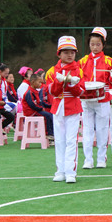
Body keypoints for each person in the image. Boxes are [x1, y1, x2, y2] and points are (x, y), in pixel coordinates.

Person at [46, 35, 85, 183]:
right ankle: (60, 171)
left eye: (72, 52)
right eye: (66, 52)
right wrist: (59, 81)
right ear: (59, 54)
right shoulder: (52, 71)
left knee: (71, 141)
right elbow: (52, 91)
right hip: (58, 108)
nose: (69, 55)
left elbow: (81, 91)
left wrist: (71, 83)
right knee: (60, 141)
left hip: (73, 108)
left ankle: (70, 172)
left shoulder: (79, 70)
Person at [78, 27, 112, 169]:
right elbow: (79, 78)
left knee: (102, 130)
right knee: (87, 130)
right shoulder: (82, 61)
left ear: (103, 45)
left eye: (98, 44)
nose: (95, 47)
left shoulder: (108, 61)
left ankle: (101, 158)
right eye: (92, 44)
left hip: (103, 99)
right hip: (86, 100)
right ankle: (88, 159)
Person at [21, 73, 54, 140]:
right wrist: (41, 108)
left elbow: (39, 102)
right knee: (47, 115)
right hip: (31, 112)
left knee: (50, 114)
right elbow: (32, 105)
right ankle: (48, 133)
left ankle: (52, 133)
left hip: (35, 110)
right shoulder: (29, 92)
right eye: (39, 82)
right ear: (33, 82)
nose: (40, 84)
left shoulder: (35, 91)